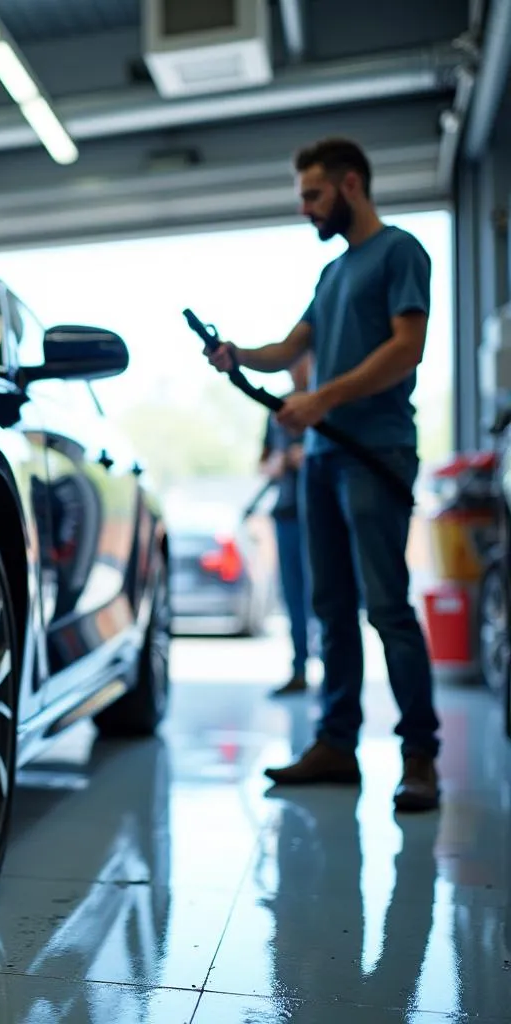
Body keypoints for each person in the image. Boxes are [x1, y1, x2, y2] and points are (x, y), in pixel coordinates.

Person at [204, 136, 441, 812]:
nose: (306, 209)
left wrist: (322, 399)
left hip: (375, 451)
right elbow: (291, 348)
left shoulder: (399, 252)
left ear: (351, 186)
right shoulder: (333, 275)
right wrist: (237, 354)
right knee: (330, 607)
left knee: (386, 606)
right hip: (324, 460)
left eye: (313, 195)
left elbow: (408, 348)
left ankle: (419, 756)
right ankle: (336, 746)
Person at [259, 353, 316, 697]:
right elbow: (263, 462)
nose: (297, 368)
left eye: (303, 361)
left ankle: (334, 673)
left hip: (321, 514)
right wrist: (280, 462)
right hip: (287, 513)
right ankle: (299, 668)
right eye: (291, 362)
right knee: (293, 595)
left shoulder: (326, 401)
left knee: (324, 594)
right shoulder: (276, 409)